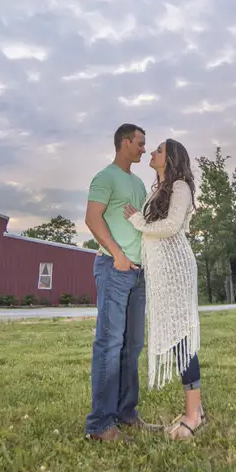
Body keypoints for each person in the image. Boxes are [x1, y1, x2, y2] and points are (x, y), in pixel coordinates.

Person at [123, 138, 205, 441]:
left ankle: (194, 415)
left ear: (170, 159)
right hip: (158, 272)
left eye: (159, 150)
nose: (153, 153)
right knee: (175, 340)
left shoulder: (180, 186)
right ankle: (196, 408)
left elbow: (170, 226)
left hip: (176, 270)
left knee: (182, 338)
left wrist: (137, 221)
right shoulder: (156, 190)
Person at [84, 123, 160, 442]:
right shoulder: (105, 177)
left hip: (139, 272)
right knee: (110, 343)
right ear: (125, 142)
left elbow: (143, 223)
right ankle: (101, 424)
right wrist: (116, 253)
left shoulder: (139, 182)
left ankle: (126, 413)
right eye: (141, 143)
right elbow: (92, 218)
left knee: (133, 345)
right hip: (114, 268)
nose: (144, 148)